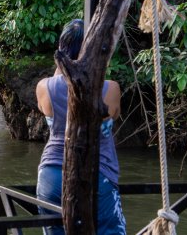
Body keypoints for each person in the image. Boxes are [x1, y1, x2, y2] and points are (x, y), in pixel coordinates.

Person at [35, 19, 126, 234]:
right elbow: (115, 115)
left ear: (60, 50)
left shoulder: (44, 87)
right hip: (97, 172)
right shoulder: (110, 89)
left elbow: (49, 101)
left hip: (51, 173)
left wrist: (62, 66)